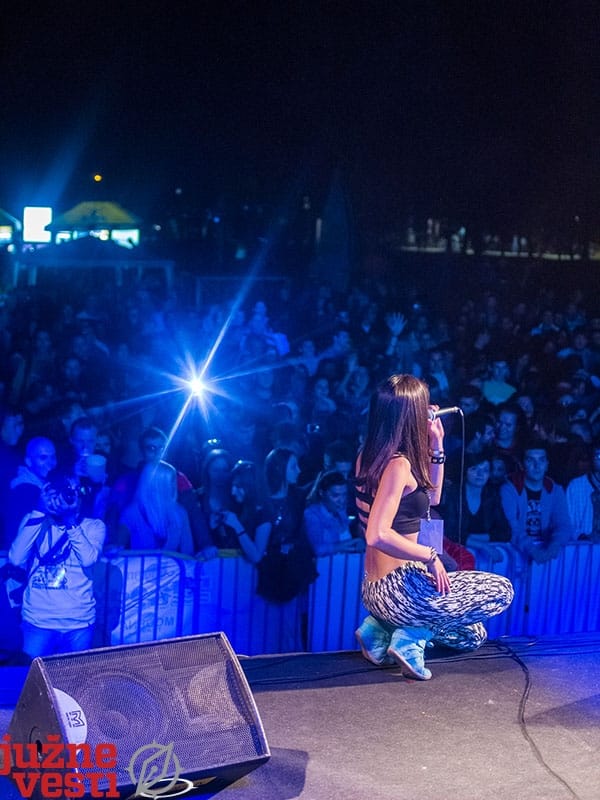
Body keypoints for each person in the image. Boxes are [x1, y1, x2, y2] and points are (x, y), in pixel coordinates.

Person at [354, 374, 514, 680]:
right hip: (400, 588)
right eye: (423, 406)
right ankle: (409, 636)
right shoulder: (398, 465)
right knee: (501, 591)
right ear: (410, 414)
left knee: (472, 635)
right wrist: (429, 556)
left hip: (374, 589)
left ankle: (380, 629)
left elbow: (433, 498)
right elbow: (377, 533)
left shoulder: (369, 455)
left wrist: (437, 444)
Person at [8, 475, 105, 658]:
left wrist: (70, 521)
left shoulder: (93, 526)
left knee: (75, 676)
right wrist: (39, 510)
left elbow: (88, 560)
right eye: (66, 490)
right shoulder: (34, 519)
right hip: (38, 621)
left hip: (78, 623)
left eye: (76, 491)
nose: (71, 495)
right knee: (32, 675)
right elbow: (16, 558)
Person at [500, 441, 573, 563]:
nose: (537, 466)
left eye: (541, 460)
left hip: (547, 553)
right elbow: (512, 526)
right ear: (522, 464)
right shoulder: (510, 489)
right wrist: (533, 551)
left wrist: (555, 545)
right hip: (515, 553)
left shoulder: (555, 490)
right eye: (530, 460)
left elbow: (563, 524)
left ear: (547, 464)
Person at [117, 460, 194, 554]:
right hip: (140, 564)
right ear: (158, 484)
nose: (175, 485)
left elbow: (188, 553)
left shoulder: (180, 513)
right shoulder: (132, 513)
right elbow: (116, 550)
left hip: (171, 564)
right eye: (172, 481)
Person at [303, 470, 364, 556]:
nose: (342, 500)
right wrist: (353, 543)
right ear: (321, 493)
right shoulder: (312, 514)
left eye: (344, 495)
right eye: (335, 495)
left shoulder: (343, 511)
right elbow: (319, 549)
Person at [566, 441, 600, 541]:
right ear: (591, 458)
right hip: (583, 545)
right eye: (598, 456)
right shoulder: (575, 486)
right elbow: (566, 523)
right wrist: (583, 537)